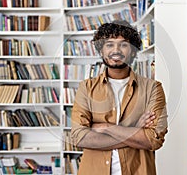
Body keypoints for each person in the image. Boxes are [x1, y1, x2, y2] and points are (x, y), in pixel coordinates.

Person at [70, 20, 168, 175]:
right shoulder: (86, 88)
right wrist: (134, 131)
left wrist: (106, 127)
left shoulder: (153, 88)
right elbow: (79, 137)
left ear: (133, 51)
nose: (116, 50)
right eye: (109, 44)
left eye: (123, 44)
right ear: (101, 51)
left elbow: (153, 139)